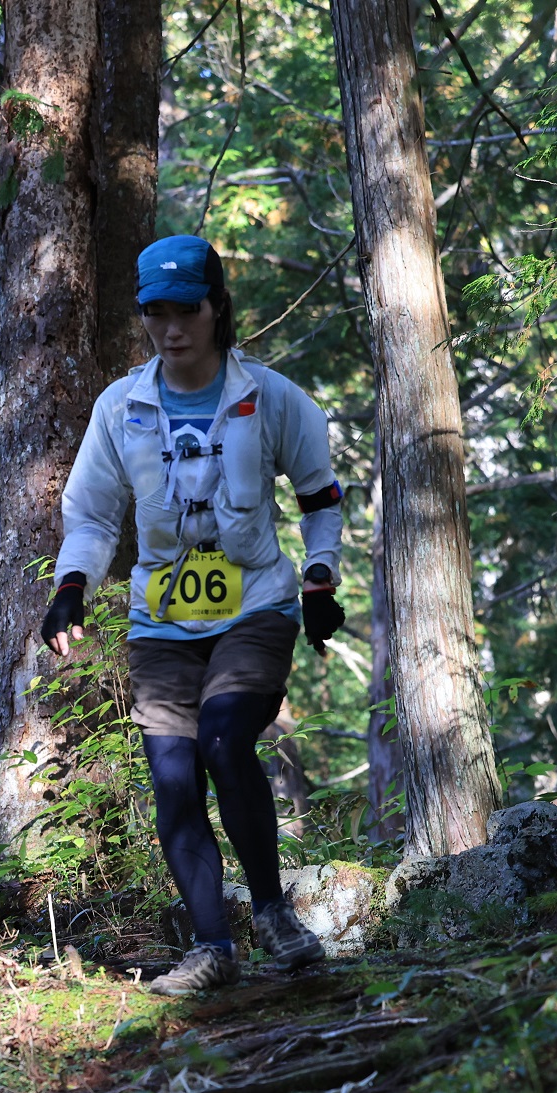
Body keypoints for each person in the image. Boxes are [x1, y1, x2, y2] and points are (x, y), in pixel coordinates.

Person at [41, 234, 348, 996]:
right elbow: (90, 515)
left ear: (218, 310)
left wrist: (319, 578)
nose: (172, 328)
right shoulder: (123, 407)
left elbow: (319, 497)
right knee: (173, 775)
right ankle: (213, 947)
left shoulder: (271, 398)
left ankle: (274, 913)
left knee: (223, 739)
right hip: (161, 621)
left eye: (188, 310)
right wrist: (71, 585)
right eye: (156, 313)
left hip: (256, 607)